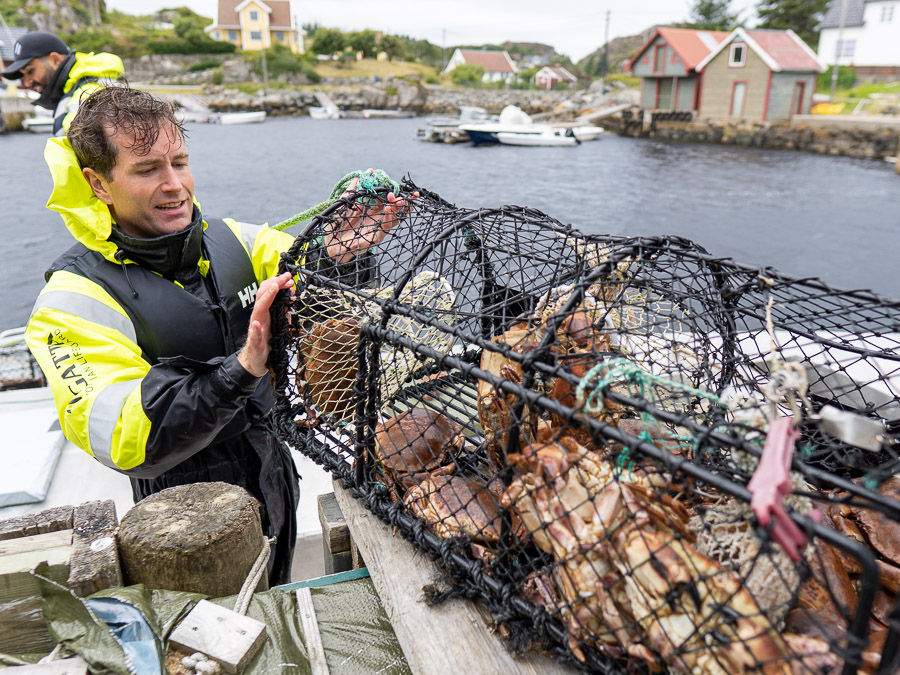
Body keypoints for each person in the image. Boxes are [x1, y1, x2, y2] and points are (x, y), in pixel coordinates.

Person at [25, 86, 408, 585]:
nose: (174, 186)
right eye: (147, 170)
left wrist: (343, 253)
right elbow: (128, 436)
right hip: (184, 516)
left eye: (179, 163)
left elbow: (313, 276)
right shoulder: (72, 300)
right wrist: (241, 370)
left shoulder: (235, 240)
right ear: (98, 183)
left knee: (277, 591)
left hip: (273, 472)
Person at [1, 31, 124, 136]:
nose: (27, 82)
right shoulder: (76, 92)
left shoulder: (87, 95)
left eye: (30, 71)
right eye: (23, 75)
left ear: (55, 60)